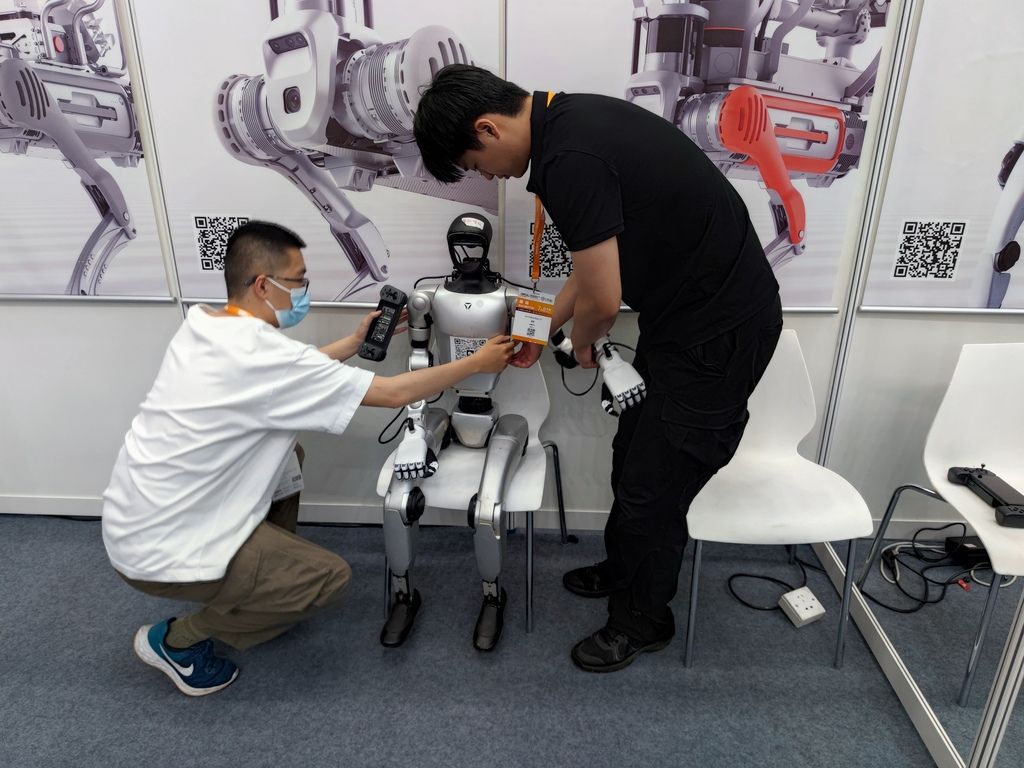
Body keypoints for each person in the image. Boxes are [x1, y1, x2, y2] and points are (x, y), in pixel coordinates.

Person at [413, 64, 783, 673]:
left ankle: (643, 619)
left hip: (720, 330)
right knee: (633, 451)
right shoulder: (571, 125)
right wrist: (536, 332)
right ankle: (624, 568)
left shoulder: (570, 159)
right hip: (684, 319)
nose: (490, 176)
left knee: (656, 481)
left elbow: (603, 303)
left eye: (478, 164)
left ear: (488, 128)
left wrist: (581, 342)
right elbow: (589, 274)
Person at [101, 220, 514, 695]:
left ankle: (263, 583)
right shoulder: (264, 356)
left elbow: (292, 373)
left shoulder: (205, 326)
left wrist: (355, 343)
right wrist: (474, 363)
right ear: (263, 285)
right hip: (160, 547)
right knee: (326, 579)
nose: (304, 291)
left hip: (138, 516)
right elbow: (394, 392)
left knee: (289, 456)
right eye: (297, 281)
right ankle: (179, 641)